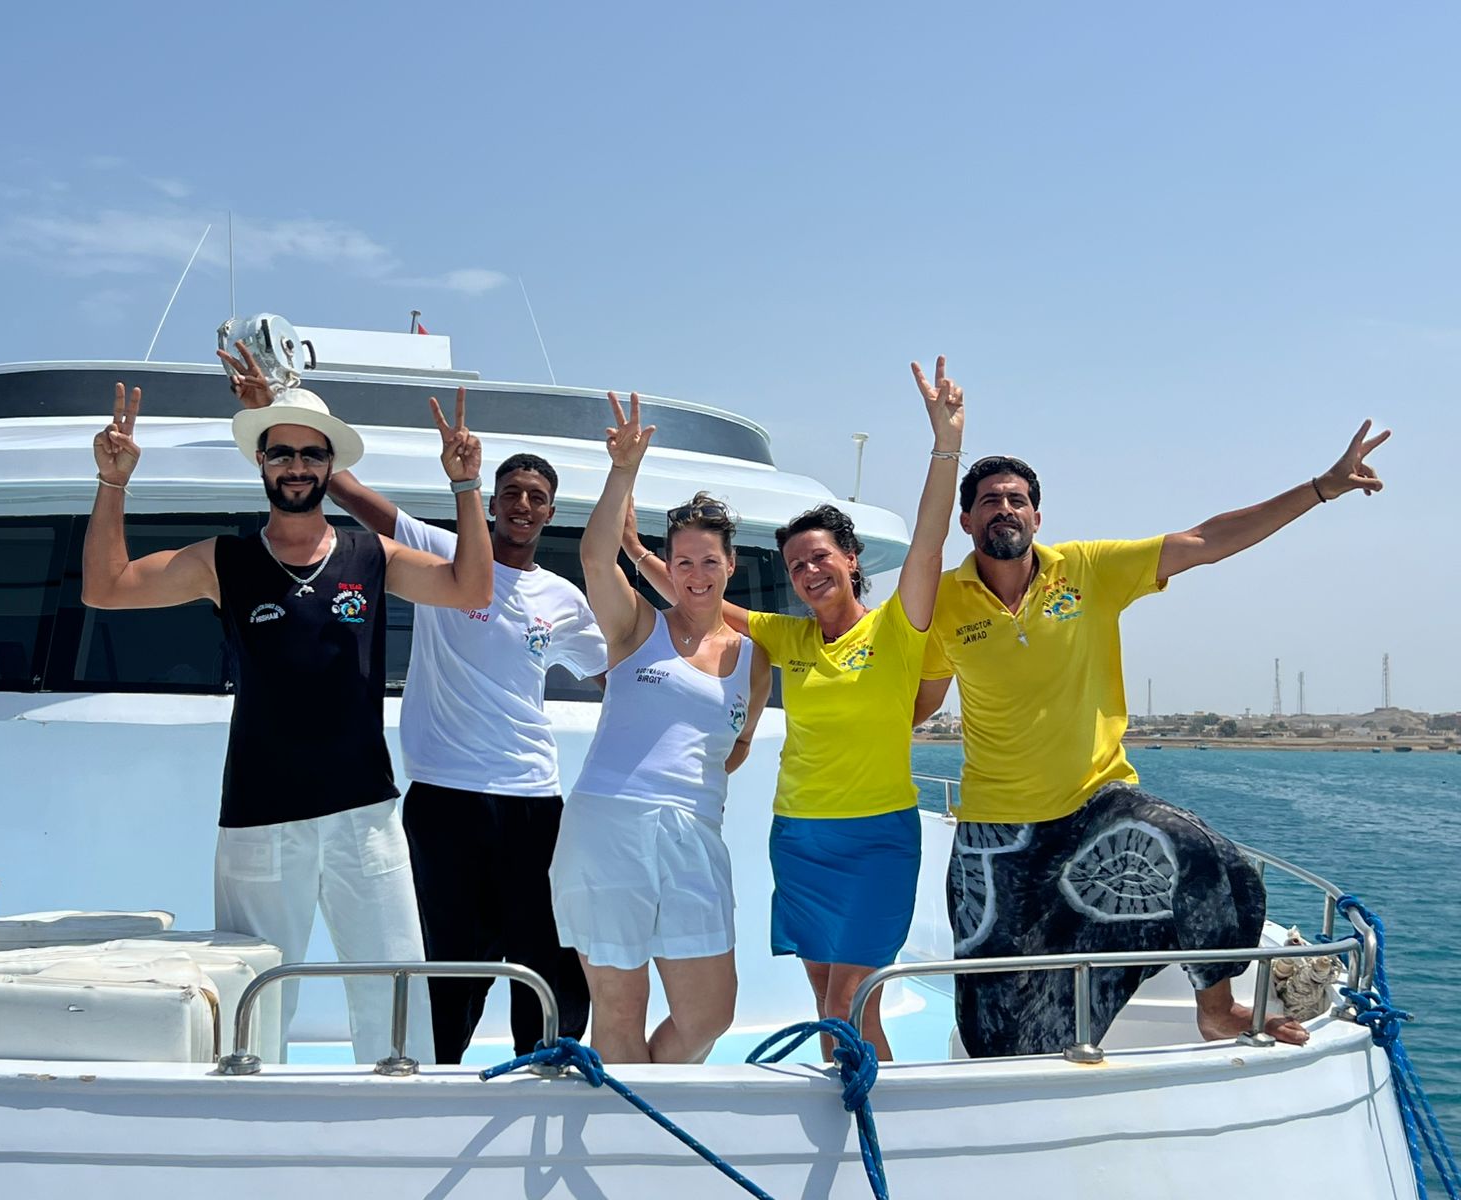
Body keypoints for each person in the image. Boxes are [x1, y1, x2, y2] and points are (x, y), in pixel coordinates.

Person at [915, 421, 1390, 1057]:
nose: (1005, 508)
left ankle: (1216, 1010)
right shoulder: (942, 602)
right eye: (990, 501)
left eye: (1017, 499)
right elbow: (923, 702)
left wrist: (1321, 488)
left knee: (1197, 850)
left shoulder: (1087, 570)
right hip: (995, 826)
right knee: (989, 1007)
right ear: (967, 521)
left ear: (1037, 516)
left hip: (1095, 802)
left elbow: (1206, 540)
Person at [82, 378, 492, 1063]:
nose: (296, 467)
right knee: (256, 1002)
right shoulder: (224, 561)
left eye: (310, 454)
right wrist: (113, 482)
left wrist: (467, 486)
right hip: (258, 819)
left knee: (394, 998)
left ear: (330, 467)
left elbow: (471, 587)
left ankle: (400, 1111)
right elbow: (106, 587)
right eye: (282, 454)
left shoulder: (372, 555)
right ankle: (248, 1114)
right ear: (261, 462)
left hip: (365, 816)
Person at [219, 348, 611, 1063]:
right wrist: (268, 410)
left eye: (536, 497)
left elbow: (611, 677)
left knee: (547, 947)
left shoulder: (563, 599)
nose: (522, 505)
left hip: (533, 793)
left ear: (551, 513)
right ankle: (441, 1075)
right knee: (448, 953)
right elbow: (339, 488)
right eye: (511, 492)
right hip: (444, 796)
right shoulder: (439, 550)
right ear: (491, 501)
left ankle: (548, 1063)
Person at [626, 356, 966, 1060]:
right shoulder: (790, 637)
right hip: (801, 838)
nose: (808, 572)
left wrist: (946, 445)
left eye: (820, 558)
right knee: (824, 1000)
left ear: (851, 559)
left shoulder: (898, 627)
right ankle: (852, 1100)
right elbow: (701, 599)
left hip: (878, 839)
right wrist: (632, 547)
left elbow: (930, 542)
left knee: (850, 1002)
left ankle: (869, 1105)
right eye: (796, 566)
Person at [550, 392, 771, 1064]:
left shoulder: (754, 659)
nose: (696, 575)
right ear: (667, 568)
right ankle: (630, 1120)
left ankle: (641, 1098)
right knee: (620, 1010)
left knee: (709, 1014)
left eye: (709, 561)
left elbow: (736, 746)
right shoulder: (636, 628)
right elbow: (596, 560)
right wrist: (623, 470)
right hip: (609, 823)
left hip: (694, 834)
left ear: (731, 565)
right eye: (683, 562)